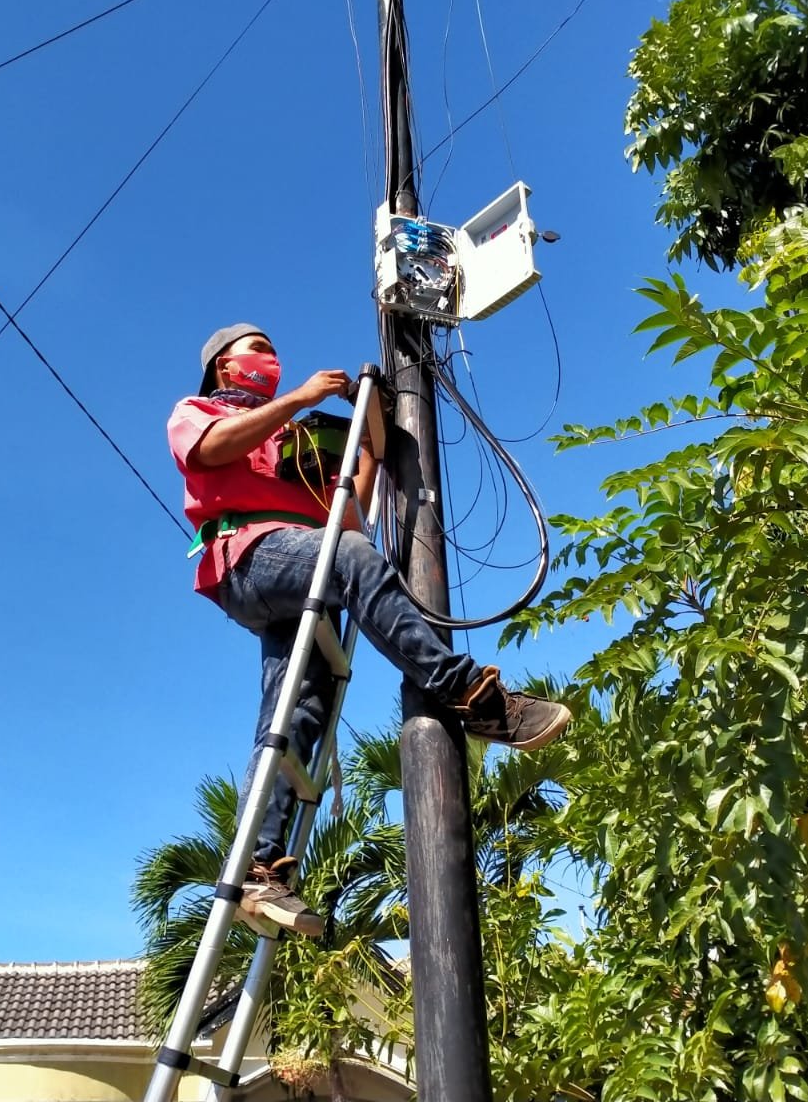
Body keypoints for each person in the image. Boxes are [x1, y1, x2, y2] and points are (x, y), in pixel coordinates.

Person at [167, 323, 571, 938]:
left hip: (307, 562)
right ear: (224, 367)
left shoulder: (297, 439)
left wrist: (367, 430)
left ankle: (260, 866)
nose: (271, 359)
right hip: (247, 554)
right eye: (258, 351)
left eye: (276, 350)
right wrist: (300, 398)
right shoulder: (199, 411)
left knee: (297, 711)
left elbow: (351, 506)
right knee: (351, 558)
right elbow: (210, 450)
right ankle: (473, 696)